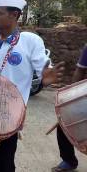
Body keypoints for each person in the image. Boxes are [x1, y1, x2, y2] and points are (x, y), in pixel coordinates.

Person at [0, 0, 65, 172]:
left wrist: (45, 76)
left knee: (7, 157)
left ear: (14, 15)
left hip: (13, 111)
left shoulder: (30, 41)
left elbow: (43, 66)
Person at [52, 44, 87, 172]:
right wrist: (70, 97)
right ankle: (69, 160)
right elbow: (80, 71)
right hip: (85, 94)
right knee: (64, 124)